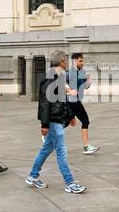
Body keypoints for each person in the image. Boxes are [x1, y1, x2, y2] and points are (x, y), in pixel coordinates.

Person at [26, 50, 86, 194]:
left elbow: (62, 100)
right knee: (61, 152)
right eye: (65, 60)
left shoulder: (58, 77)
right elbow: (45, 102)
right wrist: (45, 124)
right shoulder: (50, 78)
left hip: (57, 119)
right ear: (61, 62)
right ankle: (70, 182)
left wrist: (70, 115)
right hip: (53, 121)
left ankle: (33, 176)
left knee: (47, 148)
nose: (67, 62)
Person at [66, 53, 100, 155]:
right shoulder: (69, 73)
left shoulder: (81, 73)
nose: (82, 63)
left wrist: (88, 83)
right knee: (85, 121)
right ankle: (86, 147)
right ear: (74, 61)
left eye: (82, 61)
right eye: (80, 61)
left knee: (65, 122)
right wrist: (68, 91)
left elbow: (84, 86)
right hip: (72, 101)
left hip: (76, 101)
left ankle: (48, 134)